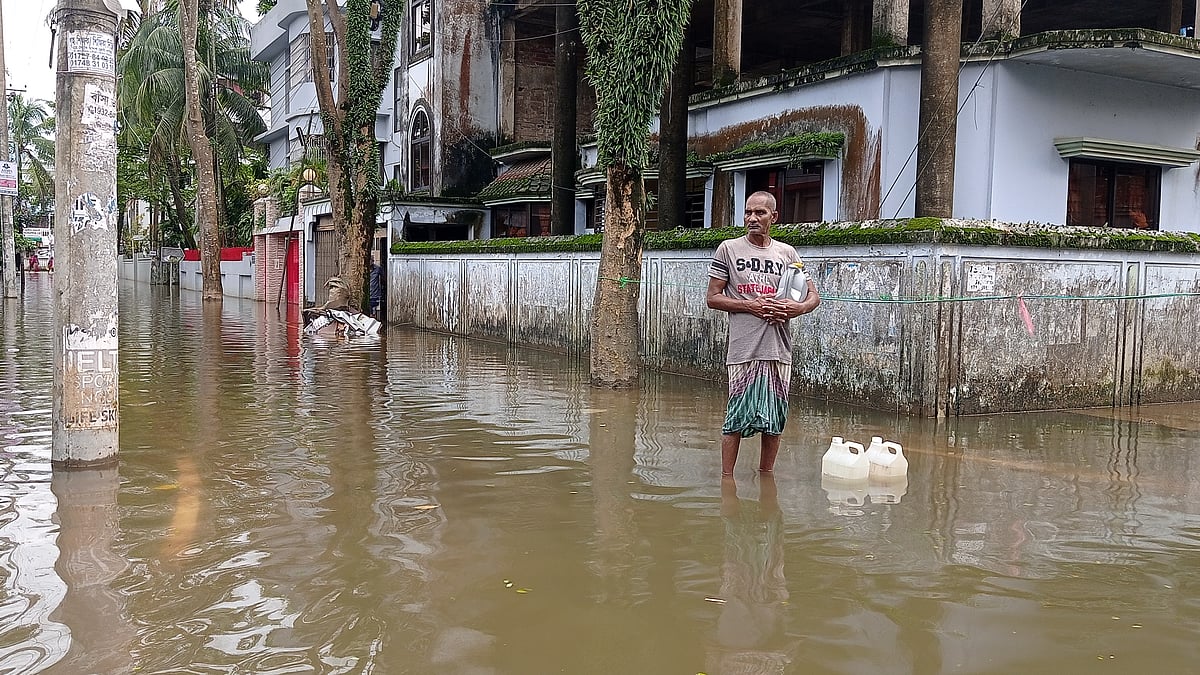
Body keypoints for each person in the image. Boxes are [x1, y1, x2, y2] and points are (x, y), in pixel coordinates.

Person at [706, 191, 820, 476]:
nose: (752, 218)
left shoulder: (787, 253)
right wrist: (751, 306)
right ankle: (727, 481)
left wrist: (798, 309)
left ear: (774, 217)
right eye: (748, 213)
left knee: (775, 420)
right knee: (735, 419)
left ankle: (766, 478)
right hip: (744, 350)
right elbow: (713, 297)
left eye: (760, 213)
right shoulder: (729, 250)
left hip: (779, 349)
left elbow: (813, 296)